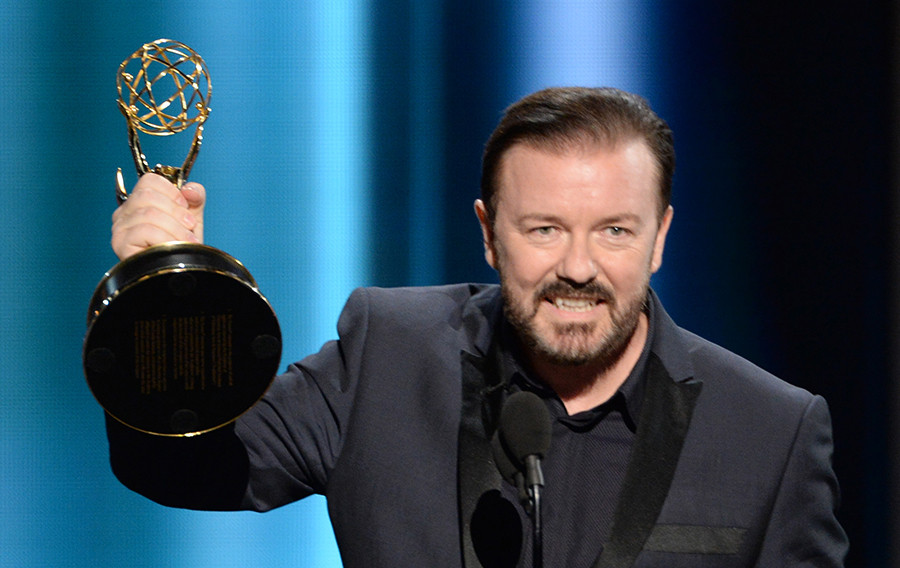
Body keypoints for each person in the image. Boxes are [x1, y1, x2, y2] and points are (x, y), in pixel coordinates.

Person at [105, 87, 848, 567]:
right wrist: (163, 298)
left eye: (616, 232)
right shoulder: (385, 356)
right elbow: (180, 468)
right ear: (490, 235)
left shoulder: (771, 432)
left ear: (660, 237)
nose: (580, 268)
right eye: (545, 229)